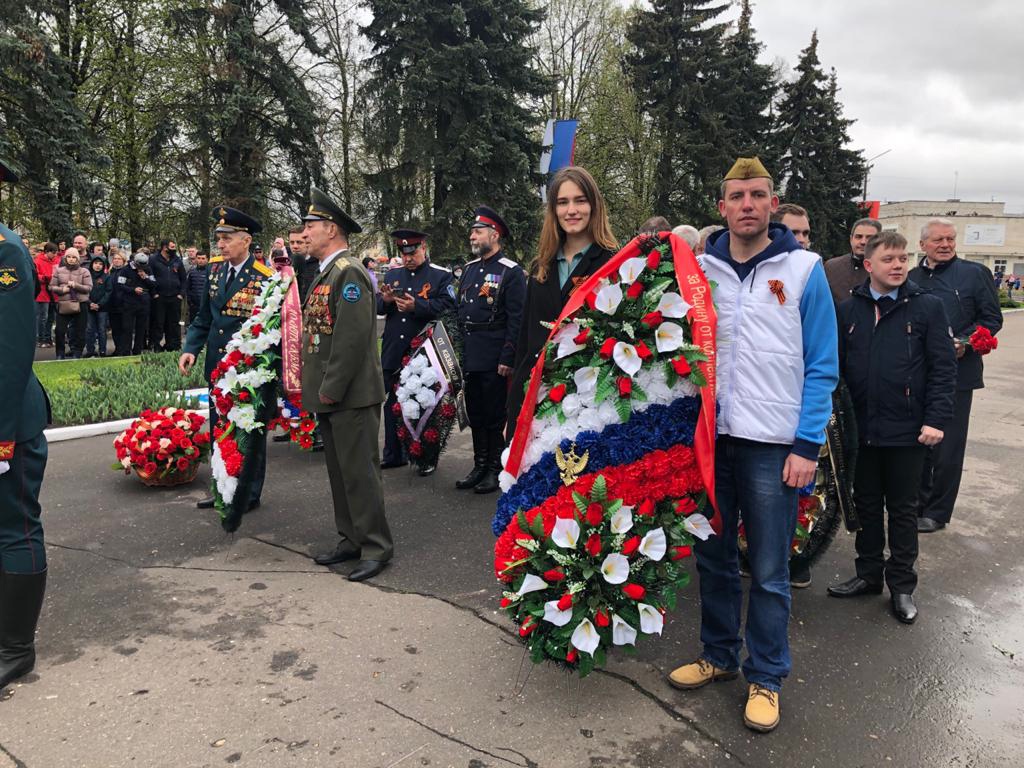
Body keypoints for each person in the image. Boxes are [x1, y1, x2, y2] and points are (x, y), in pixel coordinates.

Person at [668, 157, 838, 734]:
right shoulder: (698, 271)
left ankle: (765, 674)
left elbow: (822, 366)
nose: (746, 204)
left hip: (773, 446)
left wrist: (808, 445)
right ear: (721, 207)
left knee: (767, 569)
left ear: (771, 204)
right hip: (711, 441)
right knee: (713, 560)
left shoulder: (804, 270)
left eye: (757, 195)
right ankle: (718, 656)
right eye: (736, 195)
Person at [827, 231, 956, 623]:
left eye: (903, 258)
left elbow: (942, 370)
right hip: (862, 432)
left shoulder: (927, 308)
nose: (899, 265)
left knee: (902, 511)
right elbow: (838, 373)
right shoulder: (850, 311)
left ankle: (901, 586)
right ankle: (868, 574)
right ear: (869, 265)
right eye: (889, 259)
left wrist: (935, 419)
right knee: (866, 506)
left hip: (909, 432)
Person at [300, 187, 392, 581]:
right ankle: (351, 538)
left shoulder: (349, 272)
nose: (304, 233)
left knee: (360, 473)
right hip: (332, 394)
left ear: (331, 229)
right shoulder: (327, 272)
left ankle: (376, 546)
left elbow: (352, 340)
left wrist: (331, 388)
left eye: (311, 226)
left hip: (350, 395)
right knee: (340, 473)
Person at [507, 166, 618, 443]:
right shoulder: (540, 267)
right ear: (553, 210)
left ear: (594, 206)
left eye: (580, 200)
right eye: (562, 202)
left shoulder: (613, 265)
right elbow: (526, 342)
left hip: (589, 405)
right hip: (539, 399)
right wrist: (514, 412)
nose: (572, 210)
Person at [908, 219, 1003, 533]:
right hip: (920, 373)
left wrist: (964, 342)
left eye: (950, 239)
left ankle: (937, 511)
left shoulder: (975, 274)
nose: (946, 244)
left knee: (948, 447)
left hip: (958, 374)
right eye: (938, 240)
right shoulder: (912, 278)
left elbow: (991, 319)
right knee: (919, 443)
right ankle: (915, 504)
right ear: (923, 245)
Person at [180, 207, 274, 512]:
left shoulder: (264, 278)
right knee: (220, 426)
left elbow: (270, 328)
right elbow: (205, 316)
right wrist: (190, 348)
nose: (220, 244)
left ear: (245, 241)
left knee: (247, 429)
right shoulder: (216, 270)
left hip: (247, 370)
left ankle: (248, 492)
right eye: (219, 238)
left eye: (227, 238)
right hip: (217, 367)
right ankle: (222, 487)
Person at [0, 158, 50, 690]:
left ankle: (16, 649)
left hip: (7, 417)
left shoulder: (5, 251)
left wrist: (2, 434)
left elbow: (10, 354)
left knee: (13, 526)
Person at [455, 206, 526, 494]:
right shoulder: (470, 271)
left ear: (494, 235)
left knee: (495, 414)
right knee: (476, 412)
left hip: (495, 354)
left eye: (478, 231)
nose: (472, 236)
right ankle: (479, 464)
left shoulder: (510, 272)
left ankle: (495, 468)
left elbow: (517, 318)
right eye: (472, 231)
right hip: (472, 352)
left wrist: (508, 356)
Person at [378, 228, 456, 475]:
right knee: (393, 403)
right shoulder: (393, 275)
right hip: (393, 348)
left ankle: (426, 458)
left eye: (412, 252)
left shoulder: (440, 276)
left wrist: (418, 306)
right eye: (404, 253)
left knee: (425, 405)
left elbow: (448, 307)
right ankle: (393, 454)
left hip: (423, 352)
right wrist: (387, 301)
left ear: (423, 248)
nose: (408, 257)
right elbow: (378, 306)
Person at [823, 218, 882, 305]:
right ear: (851, 239)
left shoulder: (885, 270)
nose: (863, 242)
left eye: (870, 238)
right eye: (858, 237)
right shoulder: (830, 267)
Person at [50, 247, 92, 359]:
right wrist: (61, 290)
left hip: (80, 304)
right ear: (65, 258)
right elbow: (51, 287)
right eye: (69, 257)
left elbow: (88, 288)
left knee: (80, 330)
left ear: (78, 259)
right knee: (60, 330)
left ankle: (77, 352)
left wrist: (76, 286)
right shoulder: (58, 271)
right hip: (64, 304)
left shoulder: (84, 271)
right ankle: (60, 353)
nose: (71, 259)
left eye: (74, 257)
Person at [149, 239, 186, 351]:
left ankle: (173, 345)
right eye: (172, 247)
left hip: (175, 297)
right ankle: (156, 345)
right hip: (159, 297)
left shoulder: (177, 260)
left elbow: (183, 278)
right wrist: (154, 293)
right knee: (158, 322)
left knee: (174, 323)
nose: (174, 249)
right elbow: (150, 277)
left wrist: (181, 294)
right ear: (165, 247)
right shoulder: (154, 259)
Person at [84, 253, 111, 357]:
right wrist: (90, 303)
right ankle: (90, 350)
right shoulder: (87, 275)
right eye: (96, 263)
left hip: (102, 308)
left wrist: (99, 304)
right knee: (89, 329)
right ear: (92, 264)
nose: (98, 265)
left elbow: (108, 292)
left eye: (100, 264)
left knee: (101, 329)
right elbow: (84, 291)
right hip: (89, 306)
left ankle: (103, 350)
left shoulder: (106, 277)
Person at [33, 242, 59, 347]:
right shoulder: (38, 261)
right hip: (43, 293)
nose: (55, 255)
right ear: (47, 252)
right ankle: (40, 339)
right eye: (53, 253)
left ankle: (48, 338)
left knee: (51, 317)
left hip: (53, 293)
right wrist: (46, 277)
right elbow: (35, 276)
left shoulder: (56, 261)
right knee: (43, 317)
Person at [105, 251, 128, 355]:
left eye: (119, 259)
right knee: (115, 329)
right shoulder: (110, 273)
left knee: (124, 328)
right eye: (115, 259)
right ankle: (118, 348)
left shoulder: (126, 272)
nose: (116, 260)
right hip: (112, 305)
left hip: (124, 305)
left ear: (123, 261)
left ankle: (123, 349)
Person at [288, 226, 318, 303]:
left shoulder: (319, 266)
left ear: (307, 242)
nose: (295, 246)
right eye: (292, 242)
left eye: (299, 242)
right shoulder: (286, 265)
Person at [185, 251, 209, 325]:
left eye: (203, 258)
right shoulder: (192, 272)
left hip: (207, 305)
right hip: (194, 305)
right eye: (198, 258)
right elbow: (188, 288)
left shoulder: (211, 272)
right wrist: (190, 301)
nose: (200, 260)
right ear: (196, 259)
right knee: (194, 324)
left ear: (207, 259)